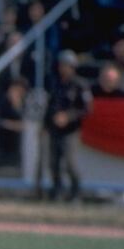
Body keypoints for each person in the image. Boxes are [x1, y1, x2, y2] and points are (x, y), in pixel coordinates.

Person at [43, 49, 89, 202]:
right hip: (54, 129)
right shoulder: (55, 84)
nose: (64, 68)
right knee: (53, 162)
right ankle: (57, 191)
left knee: (70, 162)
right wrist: (46, 125)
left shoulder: (79, 85)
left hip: (70, 130)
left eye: (67, 65)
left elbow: (86, 108)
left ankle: (76, 193)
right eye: (62, 65)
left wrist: (68, 117)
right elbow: (49, 106)